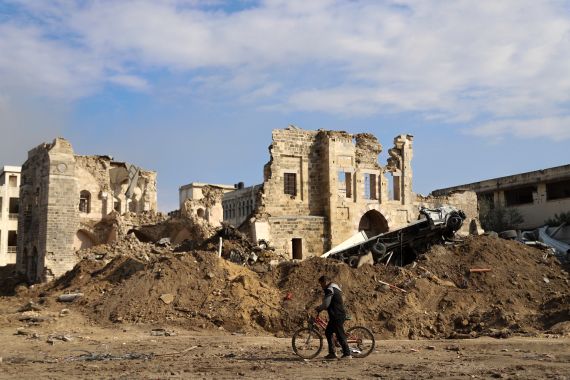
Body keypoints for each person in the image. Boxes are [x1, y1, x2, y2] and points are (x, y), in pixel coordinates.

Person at [315, 275, 352, 359]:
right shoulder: (335, 288)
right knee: (328, 332)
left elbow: (326, 304)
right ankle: (332, 353)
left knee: (340, 335)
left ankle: (347, 354)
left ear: (325, 282)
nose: (321, 286)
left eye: (321, 284)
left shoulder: (330, 289)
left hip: (337, 315)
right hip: (336, 315)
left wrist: (319, 308)